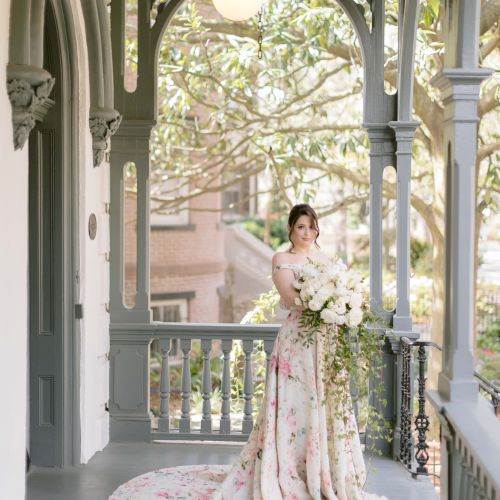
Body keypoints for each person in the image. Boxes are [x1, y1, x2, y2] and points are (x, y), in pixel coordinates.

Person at [110, 204, 386, 500]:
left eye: (311, 226)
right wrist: (325, 298)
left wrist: (342, 301)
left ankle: (321, 472)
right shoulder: (282, 258)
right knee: (295, 405)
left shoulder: (327, 261)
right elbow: (289, 298)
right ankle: (286, 471)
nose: (307, 232)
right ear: (290, 229)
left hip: (327, 344)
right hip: (298, 343)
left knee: (325, 404)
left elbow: (340, 293)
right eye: (300, 227)